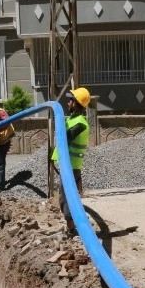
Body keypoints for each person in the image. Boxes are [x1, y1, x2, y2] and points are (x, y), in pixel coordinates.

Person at [51, 87, 90, 234]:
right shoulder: (73, 120)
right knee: (69, 196)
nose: (68, 103)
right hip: (69, 164)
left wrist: (60, 121)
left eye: (70, 100)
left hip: (72, 166)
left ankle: (72, 226)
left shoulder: (80, 123)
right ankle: (74, 224)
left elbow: (65, 138)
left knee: (65, 197)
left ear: (76, 103)